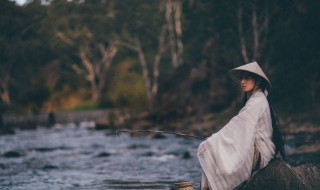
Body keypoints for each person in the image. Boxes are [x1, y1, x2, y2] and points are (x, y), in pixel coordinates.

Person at [197, 61, 286, 190]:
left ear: (258, 81)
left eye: (247, 78)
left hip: (263, 151)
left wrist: (213, 141)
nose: (242, 81)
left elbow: (238, 125)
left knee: (209, 149)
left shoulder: (258, 101)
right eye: (242, 78)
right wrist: (215, 141)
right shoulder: (257, 99)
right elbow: (239, 125)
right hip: (260, 148)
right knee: (214, 150)